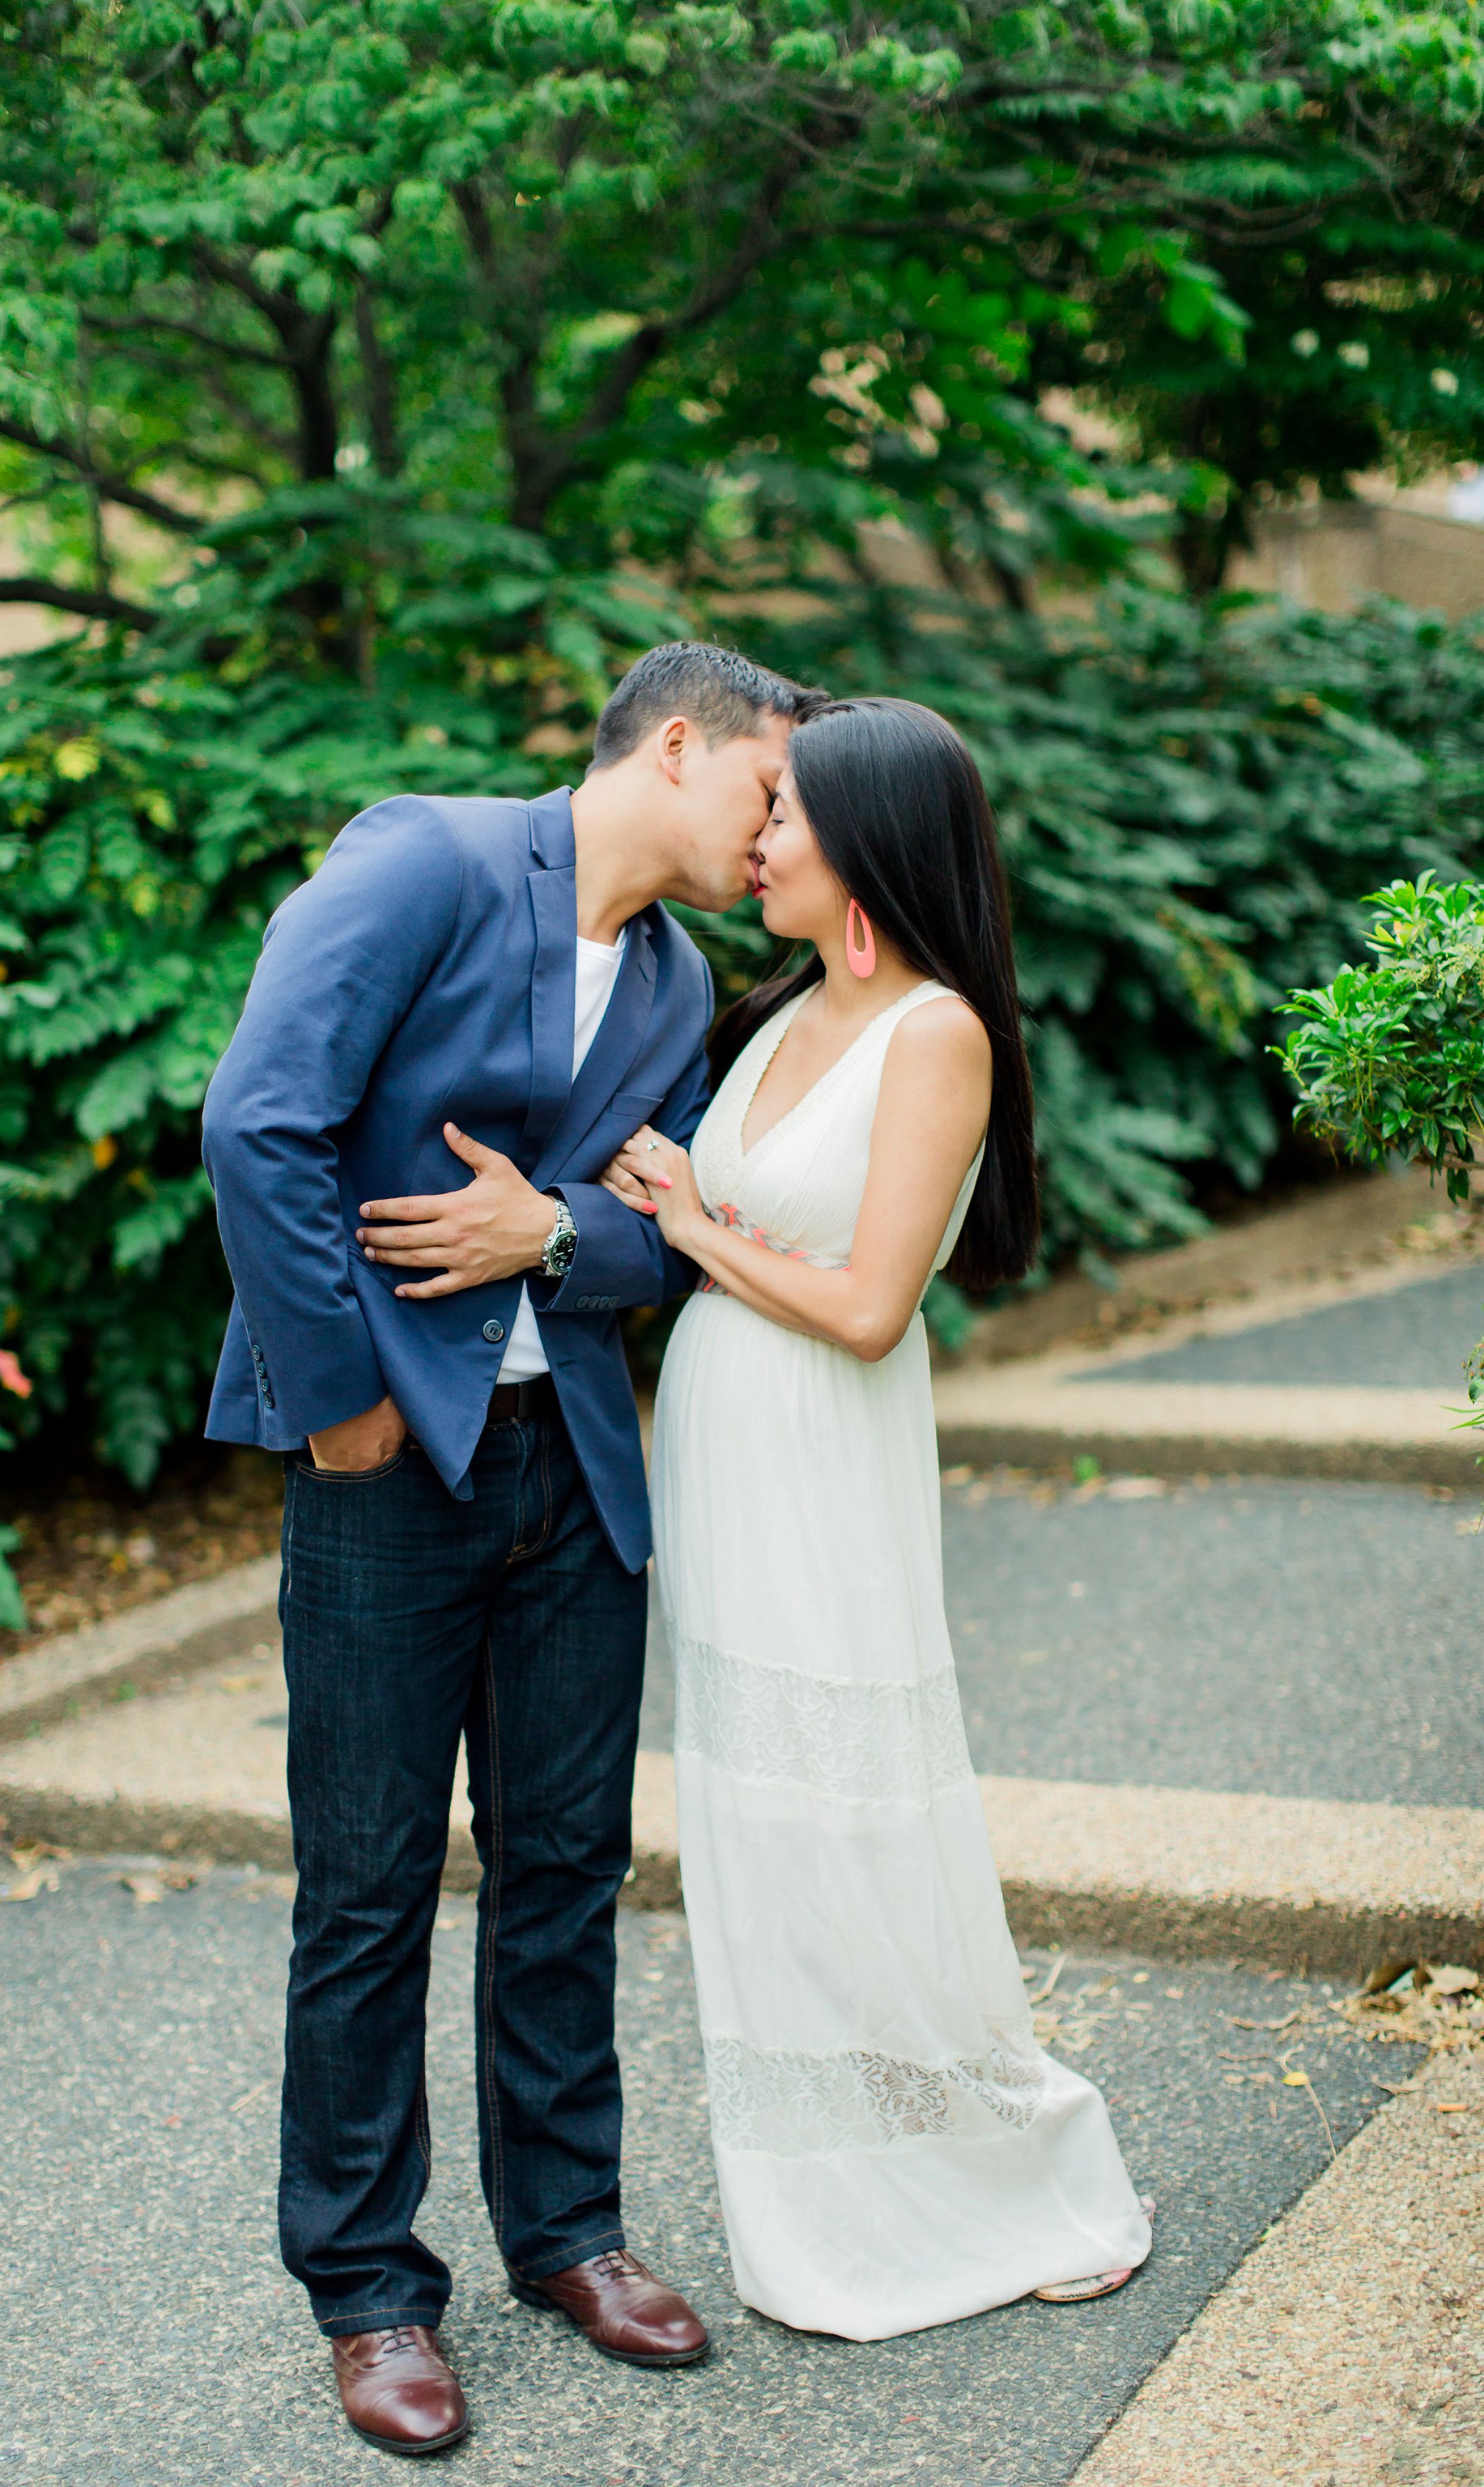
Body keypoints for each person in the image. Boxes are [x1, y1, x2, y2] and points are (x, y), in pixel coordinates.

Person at [199, 643, 826, 2455]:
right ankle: (370, 2289)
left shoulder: (681, 972)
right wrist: (339, 1407)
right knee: (372, 1880)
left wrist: (552, 1228)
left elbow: (672, 1234)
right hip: (388, 1466)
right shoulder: (430, 861)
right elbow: (262, 1121)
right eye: (765, 789)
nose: (776, 827)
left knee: (563, 1865)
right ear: (681, 743)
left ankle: (568, 2231)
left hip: (579, 1468)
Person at [602, 696, 1154, 2340]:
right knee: (763, 1825)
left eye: (783, 817)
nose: (754, 840)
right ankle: (833, 2191)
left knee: (855, 1814)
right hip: (725, 1454)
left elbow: (863, 1307)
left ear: (869, 835)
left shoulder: (936, 1033)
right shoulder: (773, 1015)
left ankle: (1020, 2164)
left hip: (824, 1452)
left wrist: (694, 1227)